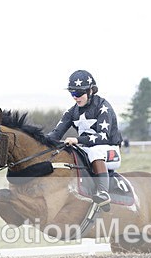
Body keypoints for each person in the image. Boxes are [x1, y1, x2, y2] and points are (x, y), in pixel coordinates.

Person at [45, 69, 123, 210]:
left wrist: (77, 140)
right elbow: (55, 134)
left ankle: (103, 193)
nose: (75, 97)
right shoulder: (72, 111)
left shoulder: (103, 107)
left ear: (91, 91)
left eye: (79, 93)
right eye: (72, 93)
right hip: (86, 148)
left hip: (109, 150)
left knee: (95, 152)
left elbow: (102, 136)